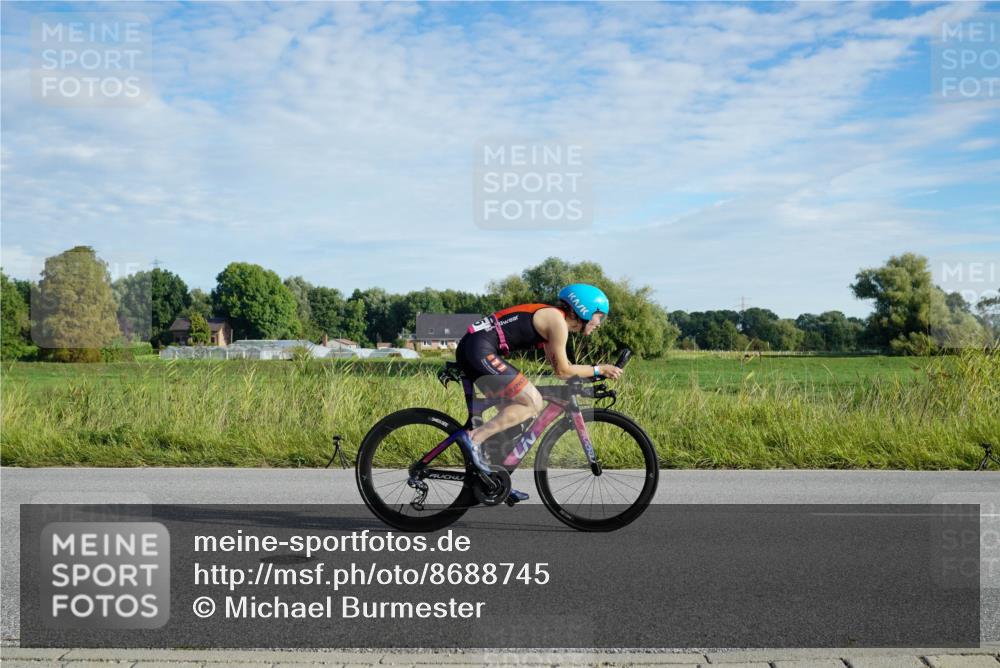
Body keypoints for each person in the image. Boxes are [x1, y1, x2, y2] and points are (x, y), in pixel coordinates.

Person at [453, 283, 623, 501]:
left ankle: (494, 479)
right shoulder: (557, 321)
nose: (599, 323)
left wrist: (595, 374)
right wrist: (599, 369)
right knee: (532, 401)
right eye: (599, 316)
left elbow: (563, 371)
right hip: (477, 349)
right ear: (584, 309)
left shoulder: (555, 322)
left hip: (476, 348)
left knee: (515, 417)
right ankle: (473, 439)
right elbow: (564, 370)